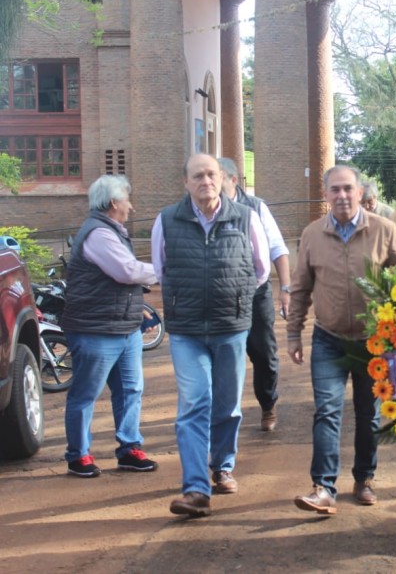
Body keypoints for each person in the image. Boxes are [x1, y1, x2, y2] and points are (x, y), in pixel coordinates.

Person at [152, 153, 271, 517]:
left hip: (230, 327)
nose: (205, 181)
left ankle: (222, 465)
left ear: (222, 179)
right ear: (185, 182)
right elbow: (160, 268)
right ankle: (195, 487)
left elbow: (261, 269)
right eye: (197, 176)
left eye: (211, 175)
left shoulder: (246, 217)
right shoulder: (166, 220)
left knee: (227, 405)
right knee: (193, 403)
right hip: (186, 330)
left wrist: (236, 298)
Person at [288, 165, 396, 515]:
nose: (342, 195)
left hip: (374, 342)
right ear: (325, 195)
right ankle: (323, 487)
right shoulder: (312, 234)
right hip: (329, 338)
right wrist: (294, 333)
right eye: (335, 189)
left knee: (369, 414)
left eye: (348, 189)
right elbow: (300, 288)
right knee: (327, 410)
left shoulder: (385, 230)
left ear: (360, 192)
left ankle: (364, 478)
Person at [62, 175, 159, 478]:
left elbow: (120, 282)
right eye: (127, 200)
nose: (131, 206)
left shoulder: (111, 231)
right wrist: (165, 270)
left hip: (123, 328)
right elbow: (126, 271)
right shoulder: (99, 234)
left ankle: (129, 448)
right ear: (114, 202)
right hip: (96, 330)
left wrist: (137, 310)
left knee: (131, 390)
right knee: (86, 394)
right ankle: (79, 455)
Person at [218, 157, 291, 432]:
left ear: (233, 180)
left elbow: (277, 249)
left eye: (217, 178)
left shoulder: (256, 207)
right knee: (224, 355)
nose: (210, 184)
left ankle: (268, 404)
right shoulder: (203, 208)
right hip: (222, 296)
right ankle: (224, 414)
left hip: (256, 293)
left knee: (264, 353)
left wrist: (285, 289)